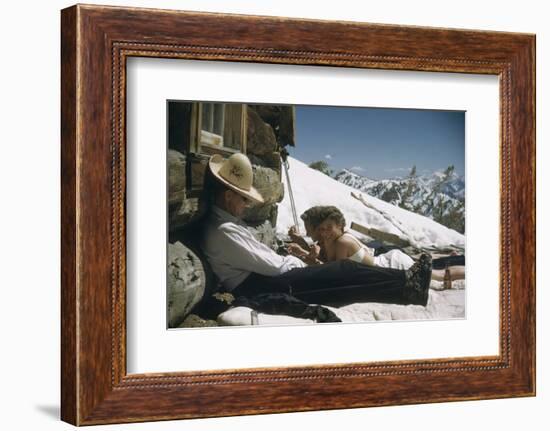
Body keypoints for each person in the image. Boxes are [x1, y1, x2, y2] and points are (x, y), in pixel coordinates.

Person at [201, 153, 433, 307]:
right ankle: (405, 286)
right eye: (244, 199)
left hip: (262, 281)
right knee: (343, 272)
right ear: (229, 196)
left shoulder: (224, 226)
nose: (247, 205)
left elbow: (263, 261)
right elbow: (272, 266)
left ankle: (404, 284)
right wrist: (300, 262)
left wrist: (299, 258)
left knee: (342, 274)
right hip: (261, 286)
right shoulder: (224, 230)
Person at [288, 205, 465, 283]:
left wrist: (306, 255)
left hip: (394, 264)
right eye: (323, 228)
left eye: (329, 227)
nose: (324, 232)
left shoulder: (343, 241)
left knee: (440, 276)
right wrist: (304, 247)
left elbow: (334, 273)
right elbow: (325, 260)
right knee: (438, 273)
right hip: (385, 262)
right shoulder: (329, 240)